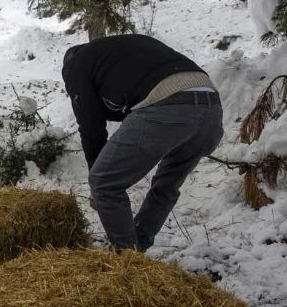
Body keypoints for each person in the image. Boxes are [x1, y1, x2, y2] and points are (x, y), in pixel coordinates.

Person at [62, 35, 223, 253]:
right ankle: (137, 249)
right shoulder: (119, 53)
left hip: (168, 104)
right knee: (167, 185)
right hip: (211, 109)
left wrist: (95, 183)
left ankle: (127, 260)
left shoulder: (76, 66)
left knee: (104, 182)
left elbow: (91, 128)